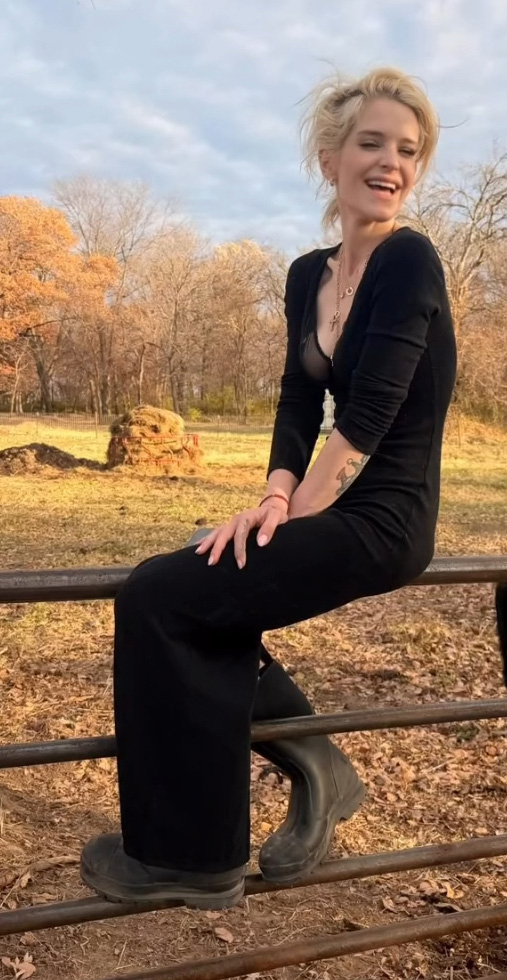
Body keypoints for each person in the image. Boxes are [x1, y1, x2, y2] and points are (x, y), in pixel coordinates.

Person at [80, 66, 457, 911]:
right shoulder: (307, 275)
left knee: (160, 596)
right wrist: (274, 496)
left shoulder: (410, 259)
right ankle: (317, 766)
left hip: (387, 514)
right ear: (331, 158)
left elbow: (371, 408)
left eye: (409, 150)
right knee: (195, 586)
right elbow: (299, 397)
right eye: (372, 144)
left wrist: (301, 506)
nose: (391, 162)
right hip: (326, 500)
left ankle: (190, 857)